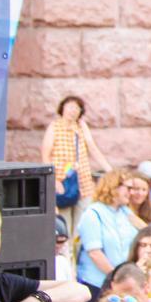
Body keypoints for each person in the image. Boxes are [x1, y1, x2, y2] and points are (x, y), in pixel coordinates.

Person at [41, 93, 110, 232]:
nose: (73, 110)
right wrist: (53, 180)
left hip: (83, 182)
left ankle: (78, 252)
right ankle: (66, 253)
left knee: (83, 224)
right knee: (64, 224)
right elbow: (45, 154)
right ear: (63, 108)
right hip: (63, 182)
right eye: (70, 106)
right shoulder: (54, 126)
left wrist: (109, 169)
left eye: (77, 108)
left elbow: (92, 147)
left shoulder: (81, 127)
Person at [76, 169, 144, 295]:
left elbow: (146, 233)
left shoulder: (125, 212)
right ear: (113, 187)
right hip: (98, 284)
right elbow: (95, 253)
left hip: (124, 283)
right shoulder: (93, 213)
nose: (131, 193)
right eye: (128, 188)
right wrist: (116, 277)